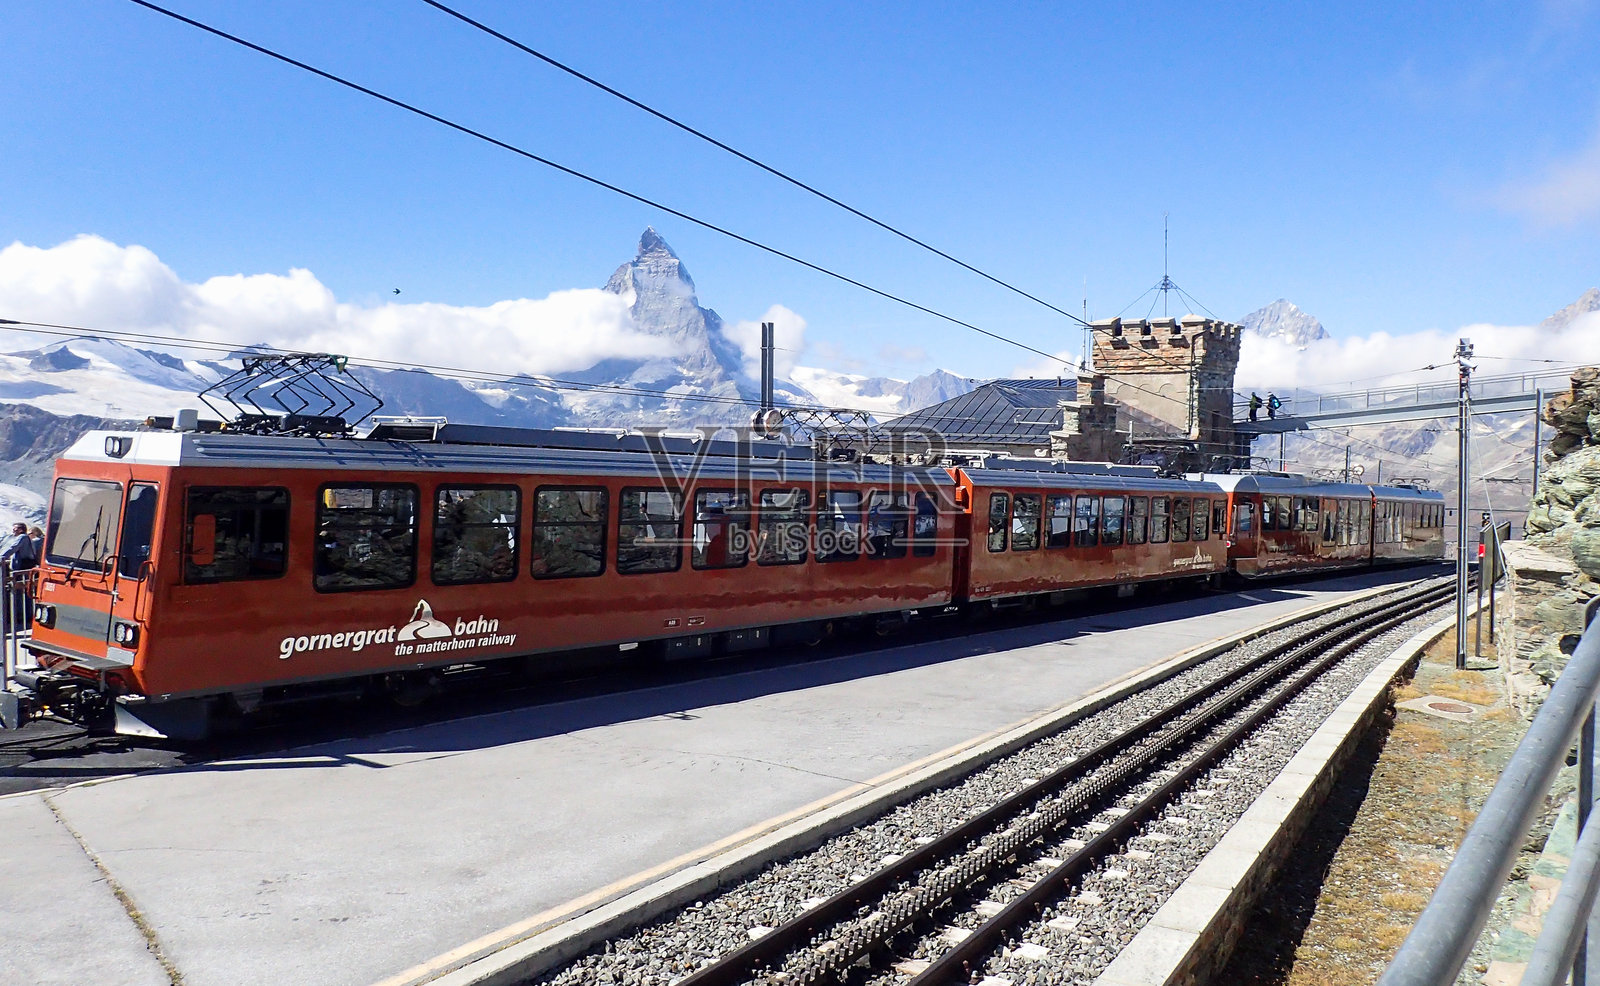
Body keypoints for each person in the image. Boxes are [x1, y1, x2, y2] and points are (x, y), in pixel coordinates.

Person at [0, 522, 36, 629]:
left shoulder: (23, 538)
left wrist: (2, 557)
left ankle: (23, 616)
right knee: (22, 592)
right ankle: (24, 615)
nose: (13, 531)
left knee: (21, 592)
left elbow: (13, 548)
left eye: (16, 529)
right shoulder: (22, 538)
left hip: (21, 568)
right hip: (22, 568)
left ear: (21, 529)